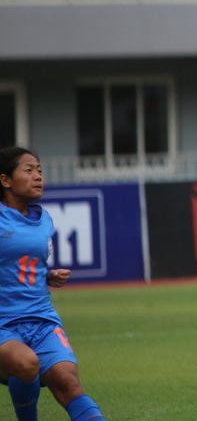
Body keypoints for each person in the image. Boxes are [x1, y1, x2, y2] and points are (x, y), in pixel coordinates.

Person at [0, 147, 106, 421]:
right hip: (3, 321)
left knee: (67, 381)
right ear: (5, 180)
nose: (38, 177)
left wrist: (45, 275)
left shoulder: (43, 218)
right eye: (29, 170)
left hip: (42, 319)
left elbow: (18, 264)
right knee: (26, 364)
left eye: (40, 171)